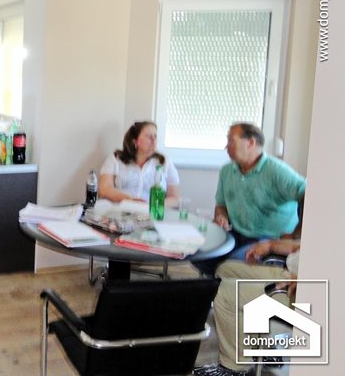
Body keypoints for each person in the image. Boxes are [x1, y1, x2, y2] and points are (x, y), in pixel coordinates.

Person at [194, 123, 305, 276]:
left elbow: (309, 194)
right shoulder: (227, 171)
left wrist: (295, 235)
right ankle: (216, 287)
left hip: (268, 240)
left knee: (230, 266)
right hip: (235, 234)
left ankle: (221, 285)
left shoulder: (277, 171)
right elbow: (221, 204)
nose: (226, 147)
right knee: (199, 254)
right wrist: (221, 216)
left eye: (231, 141)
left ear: (250, 143)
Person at [193, 239, 301, 376]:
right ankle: (258, 347)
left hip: (301, 292)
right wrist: (270, 245)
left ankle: (235, 369)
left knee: (226, 293)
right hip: (291, 273)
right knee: (225, 270)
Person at [98, 121, 180, 205]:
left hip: (152, 211)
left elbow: (174, 198)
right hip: (122, 209)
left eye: (155, 136)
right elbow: (104, 190)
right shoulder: (115, 159)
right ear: (135, 141)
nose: (154, 140)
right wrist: (130, 200)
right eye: (148, 136)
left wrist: (152, 205)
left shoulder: (165, 162)